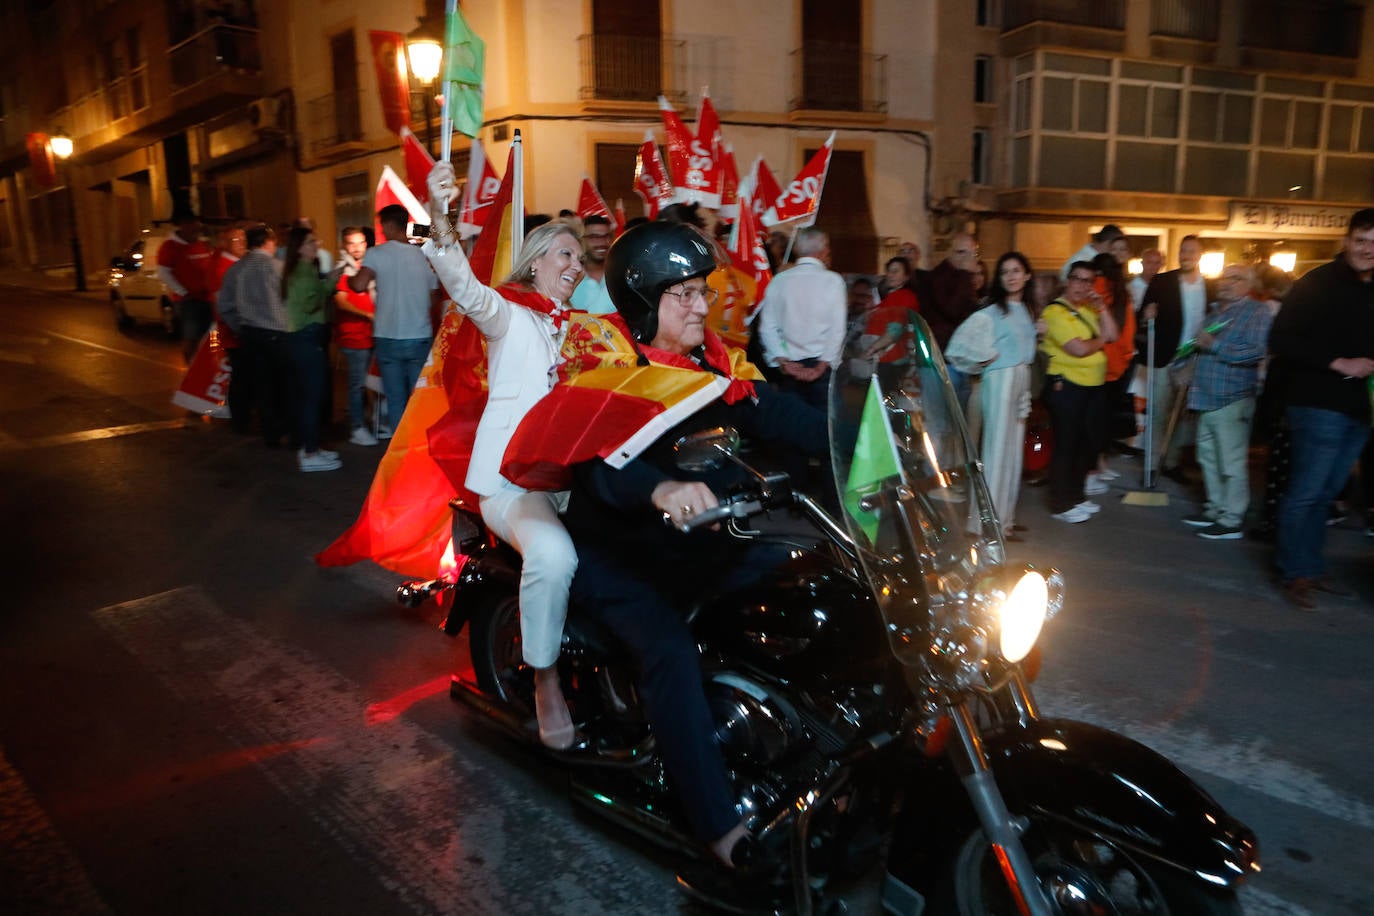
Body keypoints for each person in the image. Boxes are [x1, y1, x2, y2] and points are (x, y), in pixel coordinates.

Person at [561, 220, 829, 880]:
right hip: (621, 553)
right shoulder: (612, 368)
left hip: (707, 540)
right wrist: (660, 489)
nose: (701, 305)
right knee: (669, 652)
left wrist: (854, 430)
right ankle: (717, 826)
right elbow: (599, 467)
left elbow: (775, 412)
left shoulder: (715, 363)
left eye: (701, 291)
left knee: (812, 581)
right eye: (682, 294)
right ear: (645, 300)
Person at [424, 161, 582, 748]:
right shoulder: (509, 317)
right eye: (564, 254)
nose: (575, 264)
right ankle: (544, 679)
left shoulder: (586, 329)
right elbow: (463, 288)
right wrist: (441, 217)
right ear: (536, 261)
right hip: (512, 485)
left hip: (573, 480)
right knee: (554, 554)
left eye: (580, 257)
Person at [1268, 209, 1374, 608]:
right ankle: (1293, 570)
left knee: (1327, 493)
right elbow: (1282, 338)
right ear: (1346, 241)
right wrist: (1339, 362)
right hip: (1317, 402)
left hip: (1360, 408)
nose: (1368, 250)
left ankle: (1310, 566)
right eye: (1362, 240)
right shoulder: (1318, 283)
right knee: (1307, 491)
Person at [945, 252, 1039, 540]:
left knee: (1012, 454)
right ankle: (983, 523)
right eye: (1005, 272)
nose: (1010, 276)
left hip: (1020, 379)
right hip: (1000, 380)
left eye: (1016, 270)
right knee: (997, 452)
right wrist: (985, 358)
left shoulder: (1027, 310)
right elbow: (957, 348)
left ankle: (1004, 519)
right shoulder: (991, 313)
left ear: (1027, 275)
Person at [1182, 263, 1273, 540]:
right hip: (1206, 396)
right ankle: (1215, 509)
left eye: (1234, 279)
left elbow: (1256, 351)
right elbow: (1201, 346)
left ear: (1248, 284)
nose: (1225, 283)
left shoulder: (1257, 311)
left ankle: (1232, 518)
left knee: (1231, 461)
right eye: (1223, 278)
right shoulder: (1214, 312)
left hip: (1232, 397)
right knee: (1208, 458)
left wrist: (1215, 345)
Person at [1039, 262, 1120, 523]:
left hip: (1093, 386)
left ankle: (1076, 495)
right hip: (1067, 385)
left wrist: (1102, 308)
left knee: (1087, 443)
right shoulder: (1055, 312)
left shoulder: (1086, 309)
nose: (1082, 285)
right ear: (1067, 281)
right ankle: (1060, 504)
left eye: (1088, 281)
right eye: (1077, 279)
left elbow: (1113, 334)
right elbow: (1079, 349)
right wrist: (1100, 342)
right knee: (1067, 444)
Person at [348, 204, 440, 424]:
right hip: (419, 336)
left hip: (388, 337)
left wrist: (348, 277)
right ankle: (419, 449)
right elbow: (434, 297)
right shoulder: (423, 255)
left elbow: (359, 285)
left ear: (389, 225)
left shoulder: (376, 253)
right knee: (418, 397)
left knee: (396, 399)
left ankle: (398, 453)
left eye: (382, 225)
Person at [1138, 235, 1216, 482]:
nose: (1186, 255)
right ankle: (1151, 466)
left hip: (1195, 358)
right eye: (1183, 251)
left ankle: (1171, 462)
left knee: (1182, 415)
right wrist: (1147, 314)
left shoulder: (1211, 286)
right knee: (1159, 411)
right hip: (1166, 356)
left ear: (1200, 255)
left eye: (1192, 251)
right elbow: (1143, 313)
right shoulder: (1162, 281)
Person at [755, 227, 846, 411]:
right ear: (825, 250)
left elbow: (767, 328)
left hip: (789, 369)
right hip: (823, 370)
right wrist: (822, 366)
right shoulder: (833, 281)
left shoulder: (778, 280)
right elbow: (837, 330)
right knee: (824, 429)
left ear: (796, 250)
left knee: (792, 426)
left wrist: (783, 361)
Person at [217, 225, 292, 449]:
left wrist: (239, 328)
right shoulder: (280, 268)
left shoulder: (235, 270)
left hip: (249, 334)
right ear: (268, 242)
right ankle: (280, 429)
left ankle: (262, 429)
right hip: (279, 334)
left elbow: (225, 306)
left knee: (260, 383)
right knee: (281, 384)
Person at [282, 226, 341, 472]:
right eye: (311, 241)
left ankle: (311, 447)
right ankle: (310, 452)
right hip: (306, 337)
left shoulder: (299, 271)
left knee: (308, 396)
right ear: (300, 247)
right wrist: (331, 283)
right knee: (312, 397)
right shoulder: (303, 273)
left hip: (301, 338)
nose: (316, 244)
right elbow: (311, 303)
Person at [334, 226, 380, 446]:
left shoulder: (369, 266)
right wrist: (367, 314)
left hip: (373, 334)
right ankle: (357, 427)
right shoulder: (343, 269)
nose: (356, 248)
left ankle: (371, 420)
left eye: (360, 243)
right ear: (344, 245)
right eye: (351, 243)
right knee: (357, 384)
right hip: (354, 336)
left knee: (371, 382)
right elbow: (340, 301)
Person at [157, 211, 215, 364]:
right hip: (189, 302)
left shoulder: (203, 243)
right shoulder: (170, 246)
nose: (196, 231)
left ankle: (212, 367)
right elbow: (163, 272)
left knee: (213, 336)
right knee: (192, 337)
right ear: (183, 226)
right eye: (193, 227)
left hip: (209, 298)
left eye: (198, 227)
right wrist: (183, 292)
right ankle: (191, 369)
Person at [209, 225, 249, 432]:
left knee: (243, 373)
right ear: (225, 243)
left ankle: (242, 412)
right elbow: (221, 303)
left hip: (240, 328)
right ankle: (239, 417)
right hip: (234, 330)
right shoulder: (224, 268)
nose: (242, 244)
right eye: (237, 240)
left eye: (244, 239)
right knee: (240, 374)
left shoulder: (238, 264)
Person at [863, 256, 920, 390]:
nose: (890, 275)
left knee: (885, 401)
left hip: (891, 359)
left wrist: (870, 350)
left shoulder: (903, 296)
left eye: (895, 271)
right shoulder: (890, 297)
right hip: (884, 358)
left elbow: (894, 330)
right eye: (889, 271)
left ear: (906, 277)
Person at [569, 214, 615, 314]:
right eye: (594, 237)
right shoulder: (570, 277)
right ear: (581, 240)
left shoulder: (620, 276)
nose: (602, 242)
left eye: (606, 236)